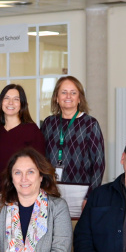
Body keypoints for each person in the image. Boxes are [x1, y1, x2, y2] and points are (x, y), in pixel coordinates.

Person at [41, 76, 105, 205]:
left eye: (73, 92)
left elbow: (99, 163)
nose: (68, 96)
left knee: (77, 225)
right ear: (56, 98)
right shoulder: (48, 123)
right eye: (64, 92)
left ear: (79, 98)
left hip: (80, 191)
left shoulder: (90, 124)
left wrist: (91, 195)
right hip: (50, 189)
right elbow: (40, 158)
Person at [0, 84, 46, 194]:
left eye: (16, 99)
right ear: (1, 102)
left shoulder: (32, 130)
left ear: (22, 104)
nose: (10, 102)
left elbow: (40, 165)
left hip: (22, 192)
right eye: (6, 98)